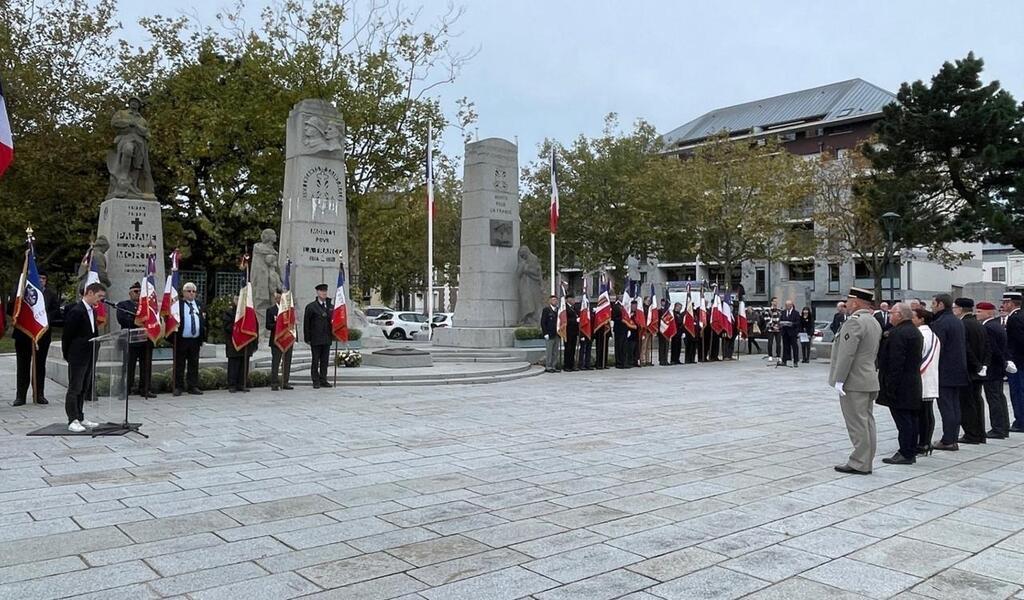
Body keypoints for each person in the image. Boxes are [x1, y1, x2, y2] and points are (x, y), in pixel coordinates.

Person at [828, 287, 883, 475]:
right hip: (868, 377)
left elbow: (847, 354)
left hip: (854, 380)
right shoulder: (873, 321)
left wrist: (839, 379)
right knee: (867, 422)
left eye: (849, 301)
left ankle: (860, 462)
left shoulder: (855, 322)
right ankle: (865, 460)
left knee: (857, 424)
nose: (846, 304)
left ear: (856, 302)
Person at [877, 302, 923, 465]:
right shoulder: (914, 331)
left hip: (901, 384)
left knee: (903, 420)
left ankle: (906, 452)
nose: (890, 316)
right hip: (912, 381)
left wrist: (890, 386)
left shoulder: (899, 333)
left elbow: (896, 362)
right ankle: (910, 449)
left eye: (892, 313)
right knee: (910, 419)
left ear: (900, 315)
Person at [62, 282, 106, 432]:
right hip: (77, 355)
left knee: (83, 387)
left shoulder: (92, 311)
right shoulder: (76, 311)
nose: (100, 300)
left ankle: (80, 416)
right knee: (75, 388)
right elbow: (67, 335)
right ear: (90, 293)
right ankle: (72, 419)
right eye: (99, 296)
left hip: (90, 353)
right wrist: (67, 354)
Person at [10, 271, 58, 406]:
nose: (42, 280)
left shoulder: (50, 294)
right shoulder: (22, 293)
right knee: (23, 366)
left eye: (44, 278)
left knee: (39, 365)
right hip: (23, 334)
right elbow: (11, 309)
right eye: (39, 278)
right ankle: (20, 396)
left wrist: (43, 320)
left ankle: (39, 394)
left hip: (42, 335)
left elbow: (56, 311)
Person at [930, 293, 967, 451]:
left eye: (933, 303)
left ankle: (948, 440)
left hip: (944, 370)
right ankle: (953, 437)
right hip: (957, 369)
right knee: (954, 405)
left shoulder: (941, 322)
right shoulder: (956, 321)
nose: (931, 306)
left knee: (946, 407)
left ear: (940, 305)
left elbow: (938, 347)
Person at [953, 297, 990, 445]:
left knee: (967, 403)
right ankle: (980, 433)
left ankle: (971, 434)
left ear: (960, 309)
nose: (953, 310)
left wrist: (977, 365)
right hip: (979, 369)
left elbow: (966, 349)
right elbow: (988, 346)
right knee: (977, 401)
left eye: (955, 307)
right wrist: (984, 365)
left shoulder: (963, 324)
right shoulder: (978, 324)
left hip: (969, 369)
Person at [116, 282, 155, 398]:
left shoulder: (148, 306)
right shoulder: (123, 305)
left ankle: (145, 389)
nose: (138, 294)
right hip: (130, 341)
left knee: (146, 366)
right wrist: (139, 320)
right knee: (128, 366)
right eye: (135, 291)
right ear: (130, 293)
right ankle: (125, 389)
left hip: (146, 341)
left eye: (140, 291)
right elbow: (122, 319)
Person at [977, 301, 1009, 439]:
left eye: (979, 311)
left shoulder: (989, 327)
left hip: (992, 368)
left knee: (994, 398)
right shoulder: (996, 325)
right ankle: (1003, 426)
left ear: (989, 312)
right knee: (999, 397)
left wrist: (986, 365)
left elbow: (992, 349)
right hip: (998, 367)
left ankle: (998, 428)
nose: (976, 314)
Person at [913, 307, 940, 456]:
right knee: (927, 413)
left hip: (922, 377)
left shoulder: (922, 334)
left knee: (923, 414)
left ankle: (923, 443)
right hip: (930, 377)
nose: (911, 319)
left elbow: (919, 356)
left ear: (921, 319)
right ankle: (925, 442)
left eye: (913, 317)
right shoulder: (932, 334)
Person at [172, 282, 206, 396]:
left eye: (193, 291)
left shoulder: (199, 304)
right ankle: (178, 386)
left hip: (195, 340)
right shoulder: (178, 305)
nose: (191, 293)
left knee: (194, 364)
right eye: (189, 291)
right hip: (182, 339)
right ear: (183, 292)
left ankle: (192, 386)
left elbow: (203, 321)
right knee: (179, 364)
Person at [303, 283, 334, 388]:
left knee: (325, 361)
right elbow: (306, 324)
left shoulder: (330, 306)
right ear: (317, 292)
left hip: (326, 337)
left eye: (325, 291)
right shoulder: (311, 307)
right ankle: (315, 380)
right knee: (315, 360)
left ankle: (323, 379)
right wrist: (307, 338)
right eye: (322, 291)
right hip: (315, 338)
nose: (324, 293)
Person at [224, 297, 257, 393]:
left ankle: (242, 384)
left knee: (244, 365)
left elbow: (254, 327)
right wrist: (239, 326)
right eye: (237, 299)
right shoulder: (229, 312)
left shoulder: (249, 312)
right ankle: (232, 385)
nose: (239, 301)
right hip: (234, 343)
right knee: (234, 365)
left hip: (246, 343)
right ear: (234, 301)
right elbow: (227, 327)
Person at [265, 288, 295, 391]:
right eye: (277, 297)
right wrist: (278, 326)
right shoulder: (271, 310)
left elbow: (292, 323)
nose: (278, 299)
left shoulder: (288, 311)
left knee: (287, 362)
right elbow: (268, 325)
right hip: (276, 340)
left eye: (280, 297)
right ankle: (274, 382)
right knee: (276, 362)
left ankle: (285, 382)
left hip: (287, 338)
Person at [1003, 292, 1024, 433]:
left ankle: (1020, 421)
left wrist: (1010, 359)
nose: (1003, 305)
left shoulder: (1014, 319)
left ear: (1012, 303)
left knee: (1017, 391)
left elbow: (1017, 342)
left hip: (1018, 361)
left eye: (1005, 302)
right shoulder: (1020, 316)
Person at [779, 299, 800, 368]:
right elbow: (780, 320)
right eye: (786, 305)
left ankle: (795, 361)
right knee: (785, 347)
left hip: (792, 333)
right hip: (785, 333)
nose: (787, 306)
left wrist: (792, 324)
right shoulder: (783, 312)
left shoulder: (796, 313)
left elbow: (798, 323)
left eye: (788, 305)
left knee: (794, 347)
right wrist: (781, 324)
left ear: (791, 305)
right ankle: (784, 360)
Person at [541, 295, 559, 373]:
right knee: (549, 351)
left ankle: (554, 366)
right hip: (549, 334)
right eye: (553, 300)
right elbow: (543, 322)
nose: (555, 301)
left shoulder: (558, 310)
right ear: (550, 301)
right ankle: (548, 366)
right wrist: (545, 333)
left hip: (557, 334)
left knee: (555, 351)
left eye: (556, 300)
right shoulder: (546, 310)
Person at [562, 293, 579, 371]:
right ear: (568, 299)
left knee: (573, 349)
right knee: (568, 349)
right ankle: (567, 366)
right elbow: (564, 320)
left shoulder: (575, 307)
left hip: (574, 331)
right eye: (572, 299)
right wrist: (575, 320)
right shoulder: (564, 308)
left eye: (574, 299)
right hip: (568, 331)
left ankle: (572, 365)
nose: (573, 300)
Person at [612, 295, 627, 369]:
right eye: (621, 296)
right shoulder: (615, 306)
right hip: (618, 328)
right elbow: (614, 317)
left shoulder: (624, 305)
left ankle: (624, 361)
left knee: (624, 346)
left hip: (624, 328)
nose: (622, 297)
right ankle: (618, 362)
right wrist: (622, 318)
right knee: (619, 346)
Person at [578, 299, 593, 370]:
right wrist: (581, 335)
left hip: (589, 333)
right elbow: (581, 323)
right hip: (583, 333)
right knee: (582, 350)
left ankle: (587, 364)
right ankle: (581, 364)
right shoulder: (581, 311)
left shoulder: (590, 311)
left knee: (588, 349)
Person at [657, 298, 670, 366]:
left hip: (667, 330)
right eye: (662, 302)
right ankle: (661, 360)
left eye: (665, 302)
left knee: (666, 346)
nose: (664, 303)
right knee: (661, 346)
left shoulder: (668, 311)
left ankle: (665, 359)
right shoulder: (658, 311)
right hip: (661, 330)